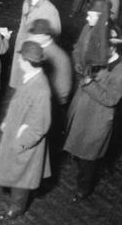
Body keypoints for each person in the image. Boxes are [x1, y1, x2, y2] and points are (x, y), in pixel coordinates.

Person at [0, 41, 52, 220]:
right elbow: (19, 106)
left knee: (22, 178)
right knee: (15, 173)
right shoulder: (30, 78)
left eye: (20, 59)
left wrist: (19, 145)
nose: (18, 61)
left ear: (26, 62)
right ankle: (16, 202)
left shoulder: (41, 90)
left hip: (25, 144)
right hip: (15, 134)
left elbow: (39, 126)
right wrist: (8, 122)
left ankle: (17, 208)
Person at [64, 27, 122, 201]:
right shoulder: (98, 58)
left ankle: (84, 188)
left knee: (88, 159)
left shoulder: (119, 71)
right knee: (78, 149)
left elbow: (111, 99)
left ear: (113, 48)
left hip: (96, 120)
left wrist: (89, 83)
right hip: (81, 112)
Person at [9, 0, 61, 89]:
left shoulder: (50, 9)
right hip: (23, 45)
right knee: (20, 79)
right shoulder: (27, 2)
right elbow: (23, 23)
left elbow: (56, 33)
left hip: (36, 51)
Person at [27, 19, 72, 106]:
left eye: (35, 35)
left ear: (44, 36)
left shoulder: (47, 53)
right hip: (55, 93)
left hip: (57, 97)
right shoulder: (48, 47)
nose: (32, 37)